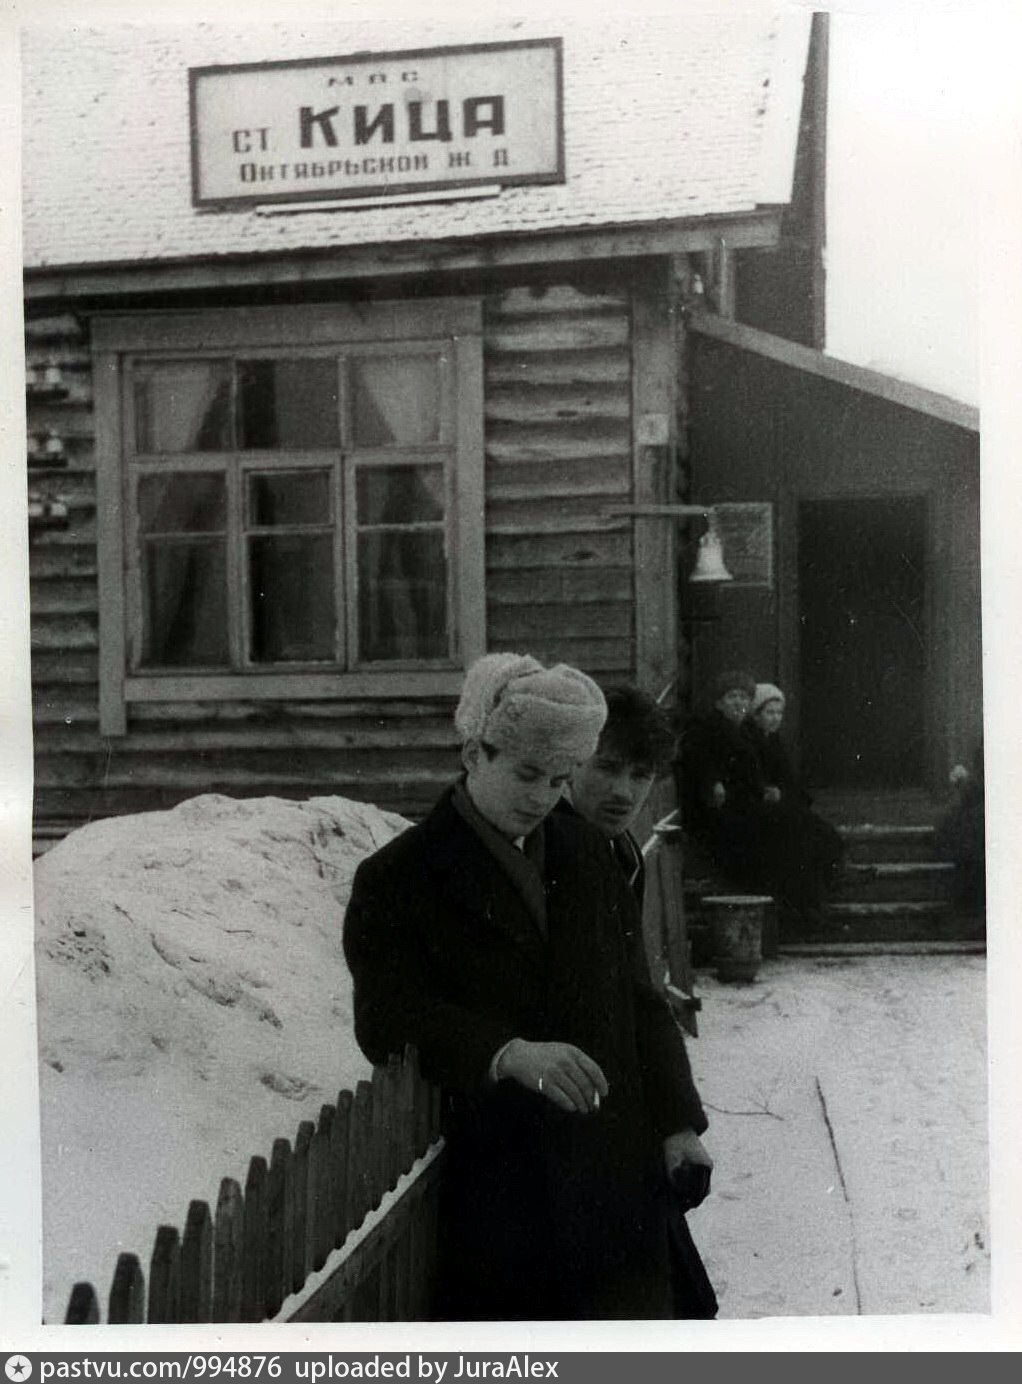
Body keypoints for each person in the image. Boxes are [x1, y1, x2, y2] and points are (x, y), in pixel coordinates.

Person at [343, 653, 711, 1320]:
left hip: (617, 1185)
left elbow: (638, 1001)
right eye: (526, 774)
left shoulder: (588, 853)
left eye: (559, 780)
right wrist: (505, 1053)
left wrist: (678, 1122)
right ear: (474, 753)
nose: (542, 797)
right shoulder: (399, 878)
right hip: (507, 1199)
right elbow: (386, 1017)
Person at [568, 683, 718, 1319]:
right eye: (606, 768)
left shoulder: (618, 848)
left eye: (640, 775)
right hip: (576, 1133)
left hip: (621, 1117)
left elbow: (640, 995)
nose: (623, 792)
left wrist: (677, 1121)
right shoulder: (556, 851)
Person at [743, 682, 844, 934]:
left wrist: (788, 795)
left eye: (779, 713)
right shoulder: (748, 741)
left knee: (820, 833)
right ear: (756, 714)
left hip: (780, 810)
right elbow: (749, 779)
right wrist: (768, 791)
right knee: (802, 844)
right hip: (758, 814)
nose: (775, 718)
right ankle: (813, 907)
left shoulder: (774, 741)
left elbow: (788, 780)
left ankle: (834, 877)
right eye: (769, 712)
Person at [676, 669, 769, 892]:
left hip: (743, 801)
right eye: (732, 696)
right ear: (719, 703)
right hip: (716, 806)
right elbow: (697, 759)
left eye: (744, 697)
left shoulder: (748, 731)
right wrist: (713, 782)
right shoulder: (706, 728)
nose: (738, 702)